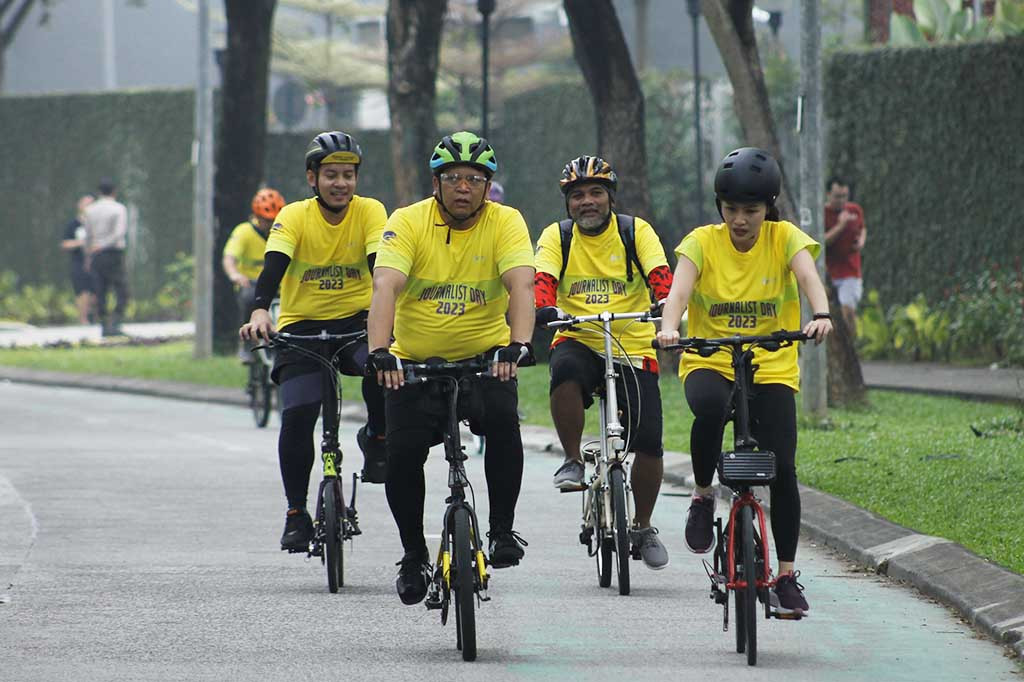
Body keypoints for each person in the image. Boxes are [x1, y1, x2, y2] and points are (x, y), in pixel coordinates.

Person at [656, 147, 833, 616]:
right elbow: (680, 291)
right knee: (710, 408)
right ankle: (702, 495)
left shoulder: (784, 238)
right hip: (710, 358)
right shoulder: (700, 242)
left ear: (768, 208)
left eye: (751, 210)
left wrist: (821, 315)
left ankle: (788, 576)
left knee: (784, 468)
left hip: (771, 362)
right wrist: (670, 327)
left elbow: (808, 276)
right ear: (720, 207)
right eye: (731, 209)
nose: (739, 220)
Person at [366, 131, 535, 605]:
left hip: (485, 361)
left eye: (475, 179)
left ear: (488, 185)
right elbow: (386, 287)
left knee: (503, 423)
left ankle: (502, 531)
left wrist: (518, 345)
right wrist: (381, 352)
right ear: (436, 183)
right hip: (415, 365)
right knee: (402, 456)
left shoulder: (507, 221)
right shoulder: (407, 221)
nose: (464, 187)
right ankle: (413, 553)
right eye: (454, 178)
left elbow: (522, 286)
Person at [239, 131, 390, 553]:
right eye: (330, 175)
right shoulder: (294, 216)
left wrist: (391, 315)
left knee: (382, 365)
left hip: (356, 322)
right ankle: (295, 512)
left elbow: (382, 269)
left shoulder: (371, 211)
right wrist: (259, 310)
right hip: (302, 328)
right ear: (312, 178)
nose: (340, 183)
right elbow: (273, 267)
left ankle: (377, 438)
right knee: (298, 415)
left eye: (348, 175)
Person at [533, 155, 675, 571]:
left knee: (649, 440)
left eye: (596, 193)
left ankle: (644, 526)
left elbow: (660, 273)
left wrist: (664, 301)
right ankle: (574, 459)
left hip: (632, 341)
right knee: (565, 372)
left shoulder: (635, 231)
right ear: (568, 204)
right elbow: (543, 280)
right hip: (578, 334)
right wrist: (545, 308)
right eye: (577, 196)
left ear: (610, 198)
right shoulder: (557, 237)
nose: (587, 202)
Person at [223, 187, 285, 362]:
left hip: (280, 285)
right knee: (250, 298)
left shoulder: (284, 231)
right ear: (257, 216)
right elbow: (229, 257)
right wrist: (235, 274)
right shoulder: (244, 232)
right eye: (266, 220)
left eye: (274, 220)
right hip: (252, 284)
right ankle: (247, 343)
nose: (270, 225)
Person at [83, 178, 129, 336]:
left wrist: (88, 256)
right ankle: (115, 323)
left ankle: (103, 324)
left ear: (99, 192)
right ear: (114, 191)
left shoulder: (90, 210)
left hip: (96, 254)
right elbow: (119, 233)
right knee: (121, 289)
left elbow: (87, 236)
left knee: (100, 290)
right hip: (113, 253)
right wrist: (104, 245)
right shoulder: (119, 208)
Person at [824, 176, 866, 337]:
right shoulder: (822, 213)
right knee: (830, 316)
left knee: (847, 309)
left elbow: (862, 229)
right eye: (837, 196)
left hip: (851, 272)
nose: (841, 201)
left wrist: (861, 241)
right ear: (828, 194)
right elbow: (822, 241)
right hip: (828, 273)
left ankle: (853, 346)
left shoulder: (855, 210)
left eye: (844, 196)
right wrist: (840, 226)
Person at [60, 194, 96, 324]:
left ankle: (94, 316)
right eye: (86, 204)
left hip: (96, 263)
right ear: (79, 206)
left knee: (96, 292)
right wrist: (81, 242)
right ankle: (83, 320)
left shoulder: (97, 224)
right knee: (82, 292)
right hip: (78, 262)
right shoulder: (73, 225)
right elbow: (64, 244)